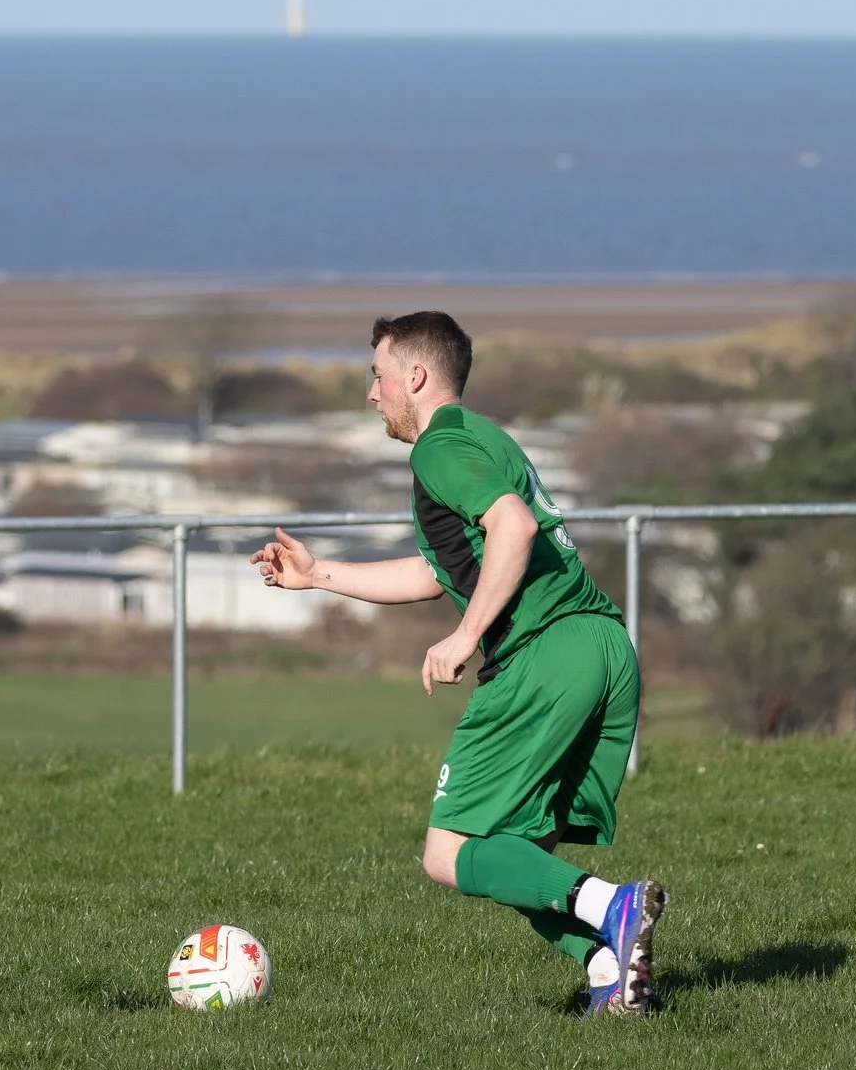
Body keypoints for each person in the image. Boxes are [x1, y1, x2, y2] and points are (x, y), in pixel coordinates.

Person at [252, 311, 668, 1013]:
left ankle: (614, 905)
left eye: (377, 376)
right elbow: (439, 569)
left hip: (544, 656)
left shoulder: (437, 449)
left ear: (415, 375)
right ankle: (607, 970)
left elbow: (514, 524)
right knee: (516, 852)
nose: (371, 394)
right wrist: (319, 574)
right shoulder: (484, 437)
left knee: (448, 854)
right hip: (601, 647)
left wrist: (465, 636)